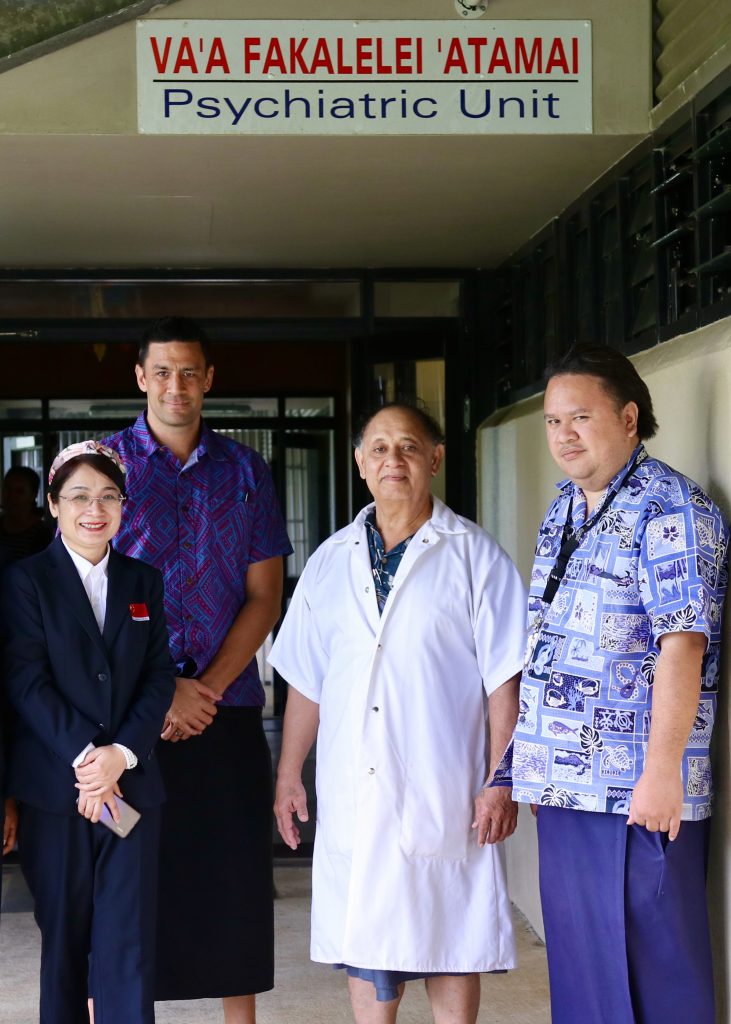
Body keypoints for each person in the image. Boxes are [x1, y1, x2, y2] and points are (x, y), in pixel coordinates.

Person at [269, 403, 526, 1024]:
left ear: (435, 459)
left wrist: (501, 778)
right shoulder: (330, 561)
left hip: (445, 785)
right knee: (366, 938)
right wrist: (288, 775)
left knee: (452, 938)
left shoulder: (475, 555)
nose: (393, 460)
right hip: (355, 784)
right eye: (379, 448)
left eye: (408, 447)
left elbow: (506, 682)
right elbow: (308, 681)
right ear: (359, 463)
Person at [506, 345, 729, 1024]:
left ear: (628, 418)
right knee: (582, 977)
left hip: (635, 790)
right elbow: (544, 640)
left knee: (652, 973)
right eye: (551, 421)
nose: (562, 435)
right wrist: (520, 765)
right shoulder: (564, 509)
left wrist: (660, 773)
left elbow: (682, 645)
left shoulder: (670, 508)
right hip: (564, 784)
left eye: (580, 416)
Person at [104, 316, 292, 1024]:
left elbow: (264, 595)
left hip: (227, 706)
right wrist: (164, 692)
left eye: (189, 372)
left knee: (230, 882)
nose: (175, 386)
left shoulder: (245, 470)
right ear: (140, 377)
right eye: (162, 371)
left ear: (209, 379)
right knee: (126, 880)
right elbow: (88, 592)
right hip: (124, 710)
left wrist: (203, 689)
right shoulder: (101, 467)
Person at [0, 440, 175, 1024]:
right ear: (53, 504)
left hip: (129, 790)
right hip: (57, 793)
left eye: (107, 496)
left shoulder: (144, 581)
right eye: (77, 496)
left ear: (124, 506)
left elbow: (158, 677)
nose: (93, 508)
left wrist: (120, 756)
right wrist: (88, 758)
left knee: (128, 943)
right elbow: (25, 681)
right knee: (66, 946)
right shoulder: (25, 582)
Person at [0, 465, 52, 561]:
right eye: (7, 489)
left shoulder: (42, 534)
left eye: (19, 492)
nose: (11, 496)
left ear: (33, 495)